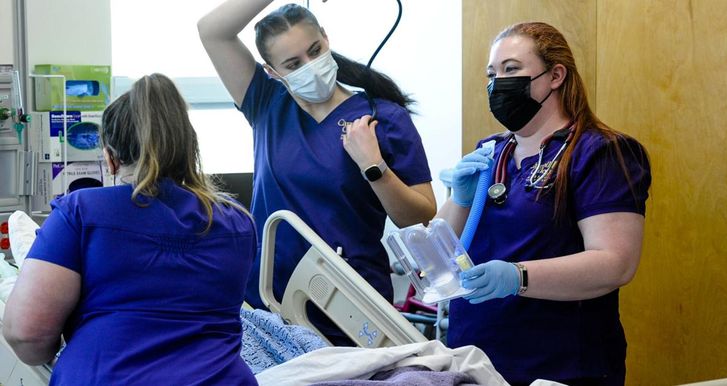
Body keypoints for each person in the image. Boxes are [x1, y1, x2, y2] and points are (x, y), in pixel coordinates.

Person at [198, 1, 436, 343]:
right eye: (293, 64)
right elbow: (212, 30)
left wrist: (375, 167)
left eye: (315, 51)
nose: (310, 66)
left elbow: (420, 218)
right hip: (270, 299)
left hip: (352, 303)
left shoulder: (381, 117)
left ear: (326, 39)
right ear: (273, 71)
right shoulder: (266, 103)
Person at [2, 74, 258, 385]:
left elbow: (27, 334)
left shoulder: (80, 211)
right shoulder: (238, 222)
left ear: (110, 158)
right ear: (187, 148)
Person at [437, 22, 652, 386]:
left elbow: (615, 263)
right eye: (491, 73)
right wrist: (458, 200)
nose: (497, 83)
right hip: (474, 361)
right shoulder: (490, 153)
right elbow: (438, 254)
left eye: (511, 70)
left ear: (555, 75)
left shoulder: (600, 153)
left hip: (560, 366)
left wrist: (517, 276)